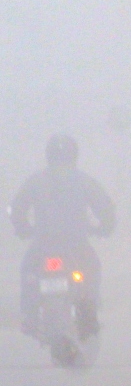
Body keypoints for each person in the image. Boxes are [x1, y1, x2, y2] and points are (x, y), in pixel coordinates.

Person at [9, 134, 115, 337]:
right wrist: (105, 227)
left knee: (29, 272)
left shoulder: (36, 181)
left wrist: (22, 228)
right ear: (74, 155)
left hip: (43, 243)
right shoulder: (84, 181)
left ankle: (29, 315)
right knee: (92, 270)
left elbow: (17, 208)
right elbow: (105, 207)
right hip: (76, 243)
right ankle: (89, 314)